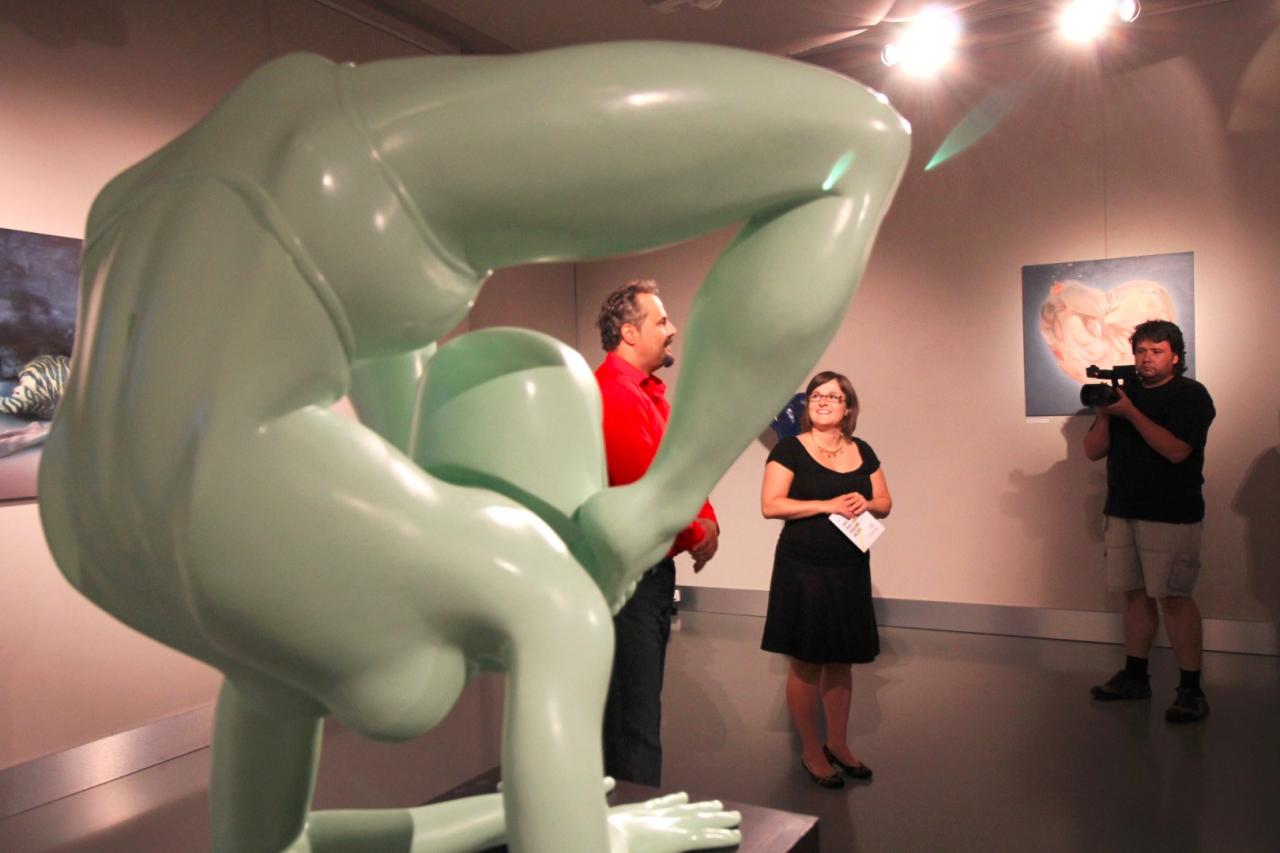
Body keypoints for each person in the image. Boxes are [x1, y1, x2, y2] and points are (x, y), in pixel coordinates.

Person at [38, 42, 909, 853]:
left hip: (86, 514)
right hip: (198, 482)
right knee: (864, 137)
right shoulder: (382, 153)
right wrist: (660, 502)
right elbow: (853, 141)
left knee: (303, 664)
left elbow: (283, 845)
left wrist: (518, 807)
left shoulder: (282, 562)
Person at [595, 280, 719, 787]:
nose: (672, 330)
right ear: (629, 332)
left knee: (635, 711)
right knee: (635, 721)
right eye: (662, 321)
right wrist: (695, 532)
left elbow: (681, 467)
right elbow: (641, 489)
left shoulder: (648, 395)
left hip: (649, 573)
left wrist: (705, 518)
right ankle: (635, 815)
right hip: (630, 579)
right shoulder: (614, 396)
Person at [760, 371, 892, 788]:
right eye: (816, 395)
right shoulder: (789, 449)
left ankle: (838, 743)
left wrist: (865, 501)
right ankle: (811, 749)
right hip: (804, 567)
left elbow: (885, 503)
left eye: (833, 396)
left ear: (847, 407)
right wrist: (825, 504)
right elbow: (771, 505)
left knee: (841, 659)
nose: (822, 401)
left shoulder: (862, 449)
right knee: (806, 660)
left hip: (850, 565)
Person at [1083, 319, 1215, 723]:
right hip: (1123, 509)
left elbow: (1176, 451)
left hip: (1171, 514)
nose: (1146, 358)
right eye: (1141, 351)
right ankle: (1135, 677)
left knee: (1174, 598)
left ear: (1175, 356)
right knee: (1134, 595)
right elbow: (1092, 451)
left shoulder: (1190, 395)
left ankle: (1191, 690)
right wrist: (1108, 414)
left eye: (1156, 351)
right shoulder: (1127, 395)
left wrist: (1131, 413)